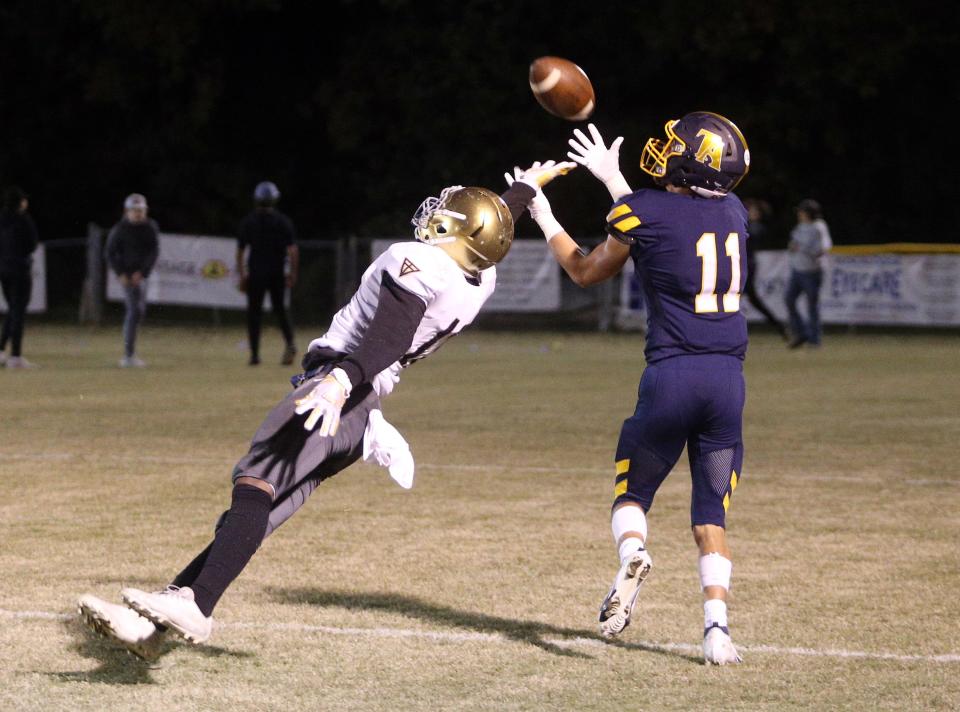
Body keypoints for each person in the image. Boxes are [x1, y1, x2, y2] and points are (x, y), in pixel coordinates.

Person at [77, 161, 574, 660]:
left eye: (452, 215)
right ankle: (156, 625)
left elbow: (389, 337)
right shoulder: (478, 279)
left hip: (340, 390)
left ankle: (197, 606)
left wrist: (338, 381)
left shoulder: (421, 262)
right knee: (254, 513)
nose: (440, 215)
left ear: (464, 232)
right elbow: (491, 231)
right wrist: (525, 189)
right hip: (361, 411)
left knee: (254, 484)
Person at [522, 114, 751, 665]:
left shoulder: (642, 209)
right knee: (710, 516)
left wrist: (542, 212)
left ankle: (634, 553)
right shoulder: (735, 212)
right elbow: (667, 224)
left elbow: (585, 270)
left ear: (694, 160)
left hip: (672, 377)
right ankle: (717, 632)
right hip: (727, 384)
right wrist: (613, 180)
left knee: (632, 495)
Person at [236, 181, 299, 366]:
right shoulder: (283, 222)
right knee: (281, 311)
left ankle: (255, 355)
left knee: (254, 313)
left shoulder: (249, 221)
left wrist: (242, 274)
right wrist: (293, 273)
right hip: (277, 273)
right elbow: (293, 250)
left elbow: (240, 251)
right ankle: (290, 343)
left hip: (256, 273)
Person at [106, 193, 159, 367]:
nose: (138, 214)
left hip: (141, 275)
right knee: (133, 311)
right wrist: (121, 273)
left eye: (141, 210)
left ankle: (130, 349)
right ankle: (128, 356)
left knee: (139, 311)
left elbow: (153, 251)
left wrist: (142, 273)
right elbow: (109, 253)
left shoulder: (150, 227)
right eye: (135, 210)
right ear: (127, 211)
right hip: (127, 276)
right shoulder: (120, 229)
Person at [0, 186, 40, 369]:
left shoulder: (2, 219)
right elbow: (32, 244)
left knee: (12, 310)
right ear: (21, 202)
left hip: (3, 270)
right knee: (18, 312)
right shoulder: (23, 219)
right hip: (20, 269)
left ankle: (1, 349)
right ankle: (15, 356)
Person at [785, 198, 831, 348]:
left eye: (802, 211)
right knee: (789, 299)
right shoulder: (800, 226)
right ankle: (801, 333)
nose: (799, 214)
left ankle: (814, 339)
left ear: (809, 213)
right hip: (797, 270)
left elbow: (822, 249)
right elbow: (793, 244)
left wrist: (802, 248)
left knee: (812, 305)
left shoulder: (819, 227)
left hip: (812, 271)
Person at [741, 197, 787, 339]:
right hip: (742, 264)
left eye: (752, 210)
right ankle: (780, 327)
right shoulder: (747, 224)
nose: (749, 212)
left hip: (747, 265)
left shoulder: (755, 227)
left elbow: (749, 235)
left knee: (736, 297)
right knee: (752, 299)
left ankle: (780, 327)